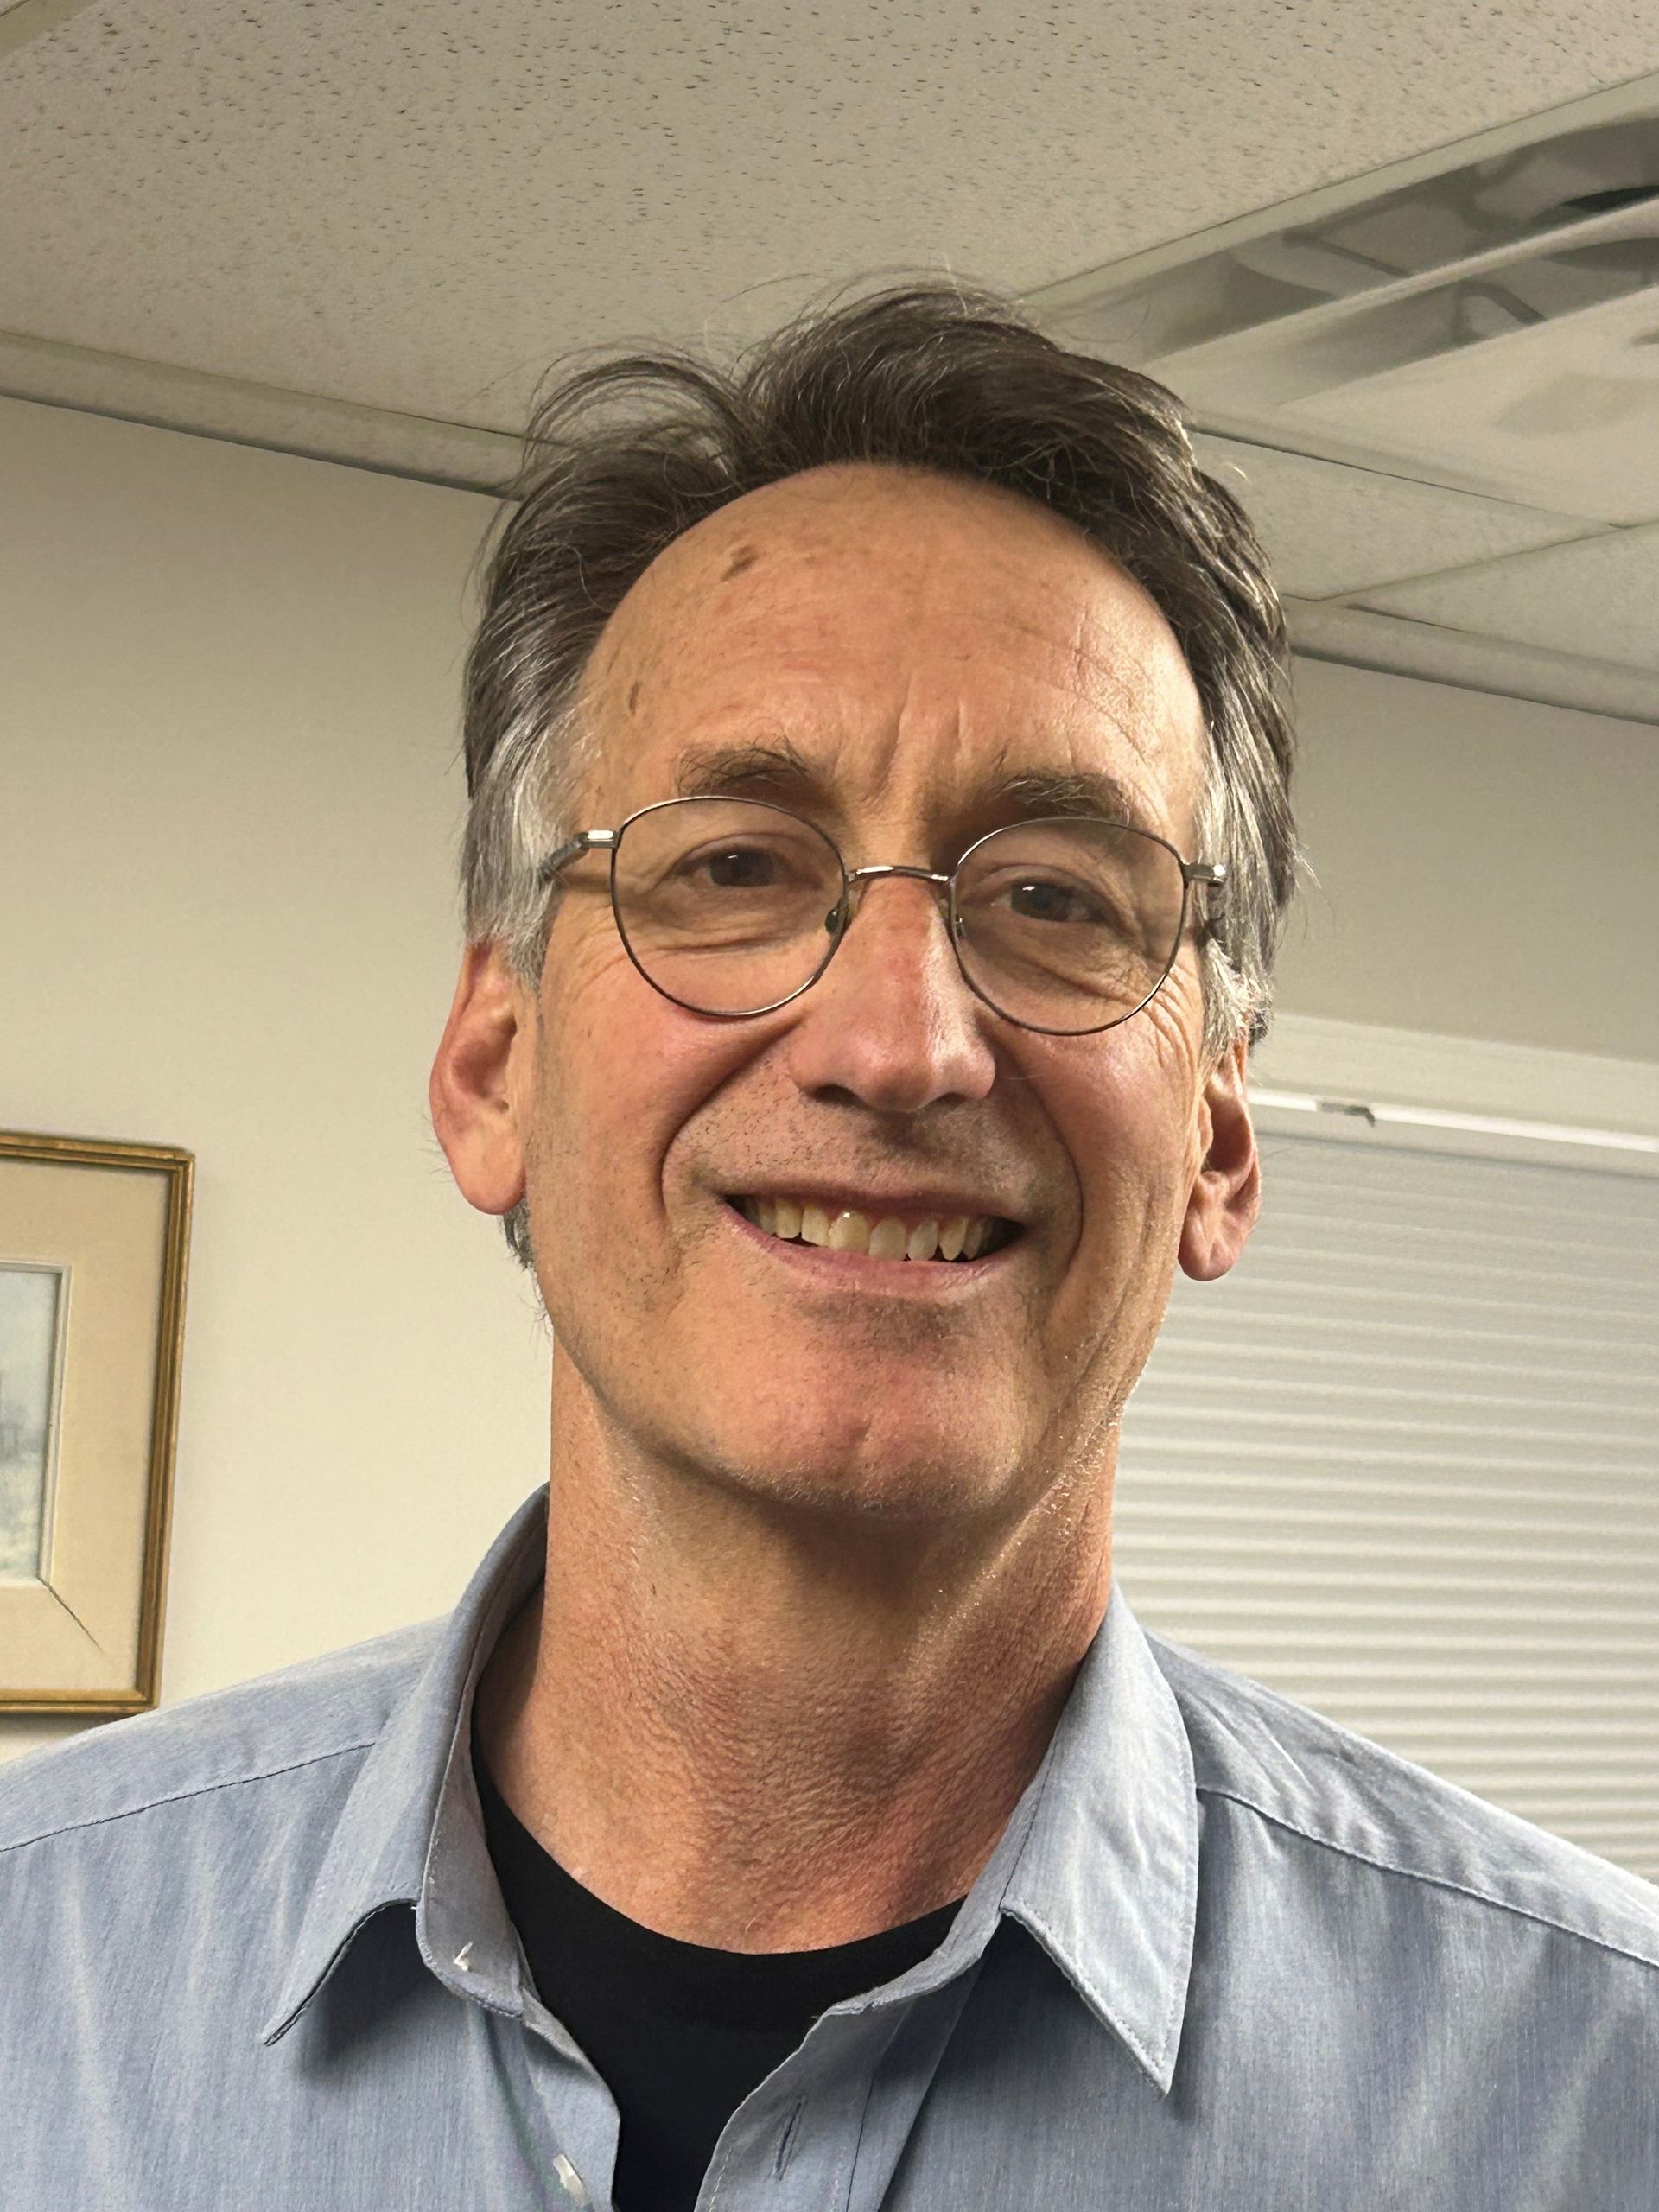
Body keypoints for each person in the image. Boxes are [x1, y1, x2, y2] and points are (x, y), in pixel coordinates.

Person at [2, 283, 1654, 2212]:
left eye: (1053, 896)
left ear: (1214, 1135)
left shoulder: (1592, 2096)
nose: (901, 1042)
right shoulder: (39, 1981)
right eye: (731, 866)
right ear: (493, 1063)